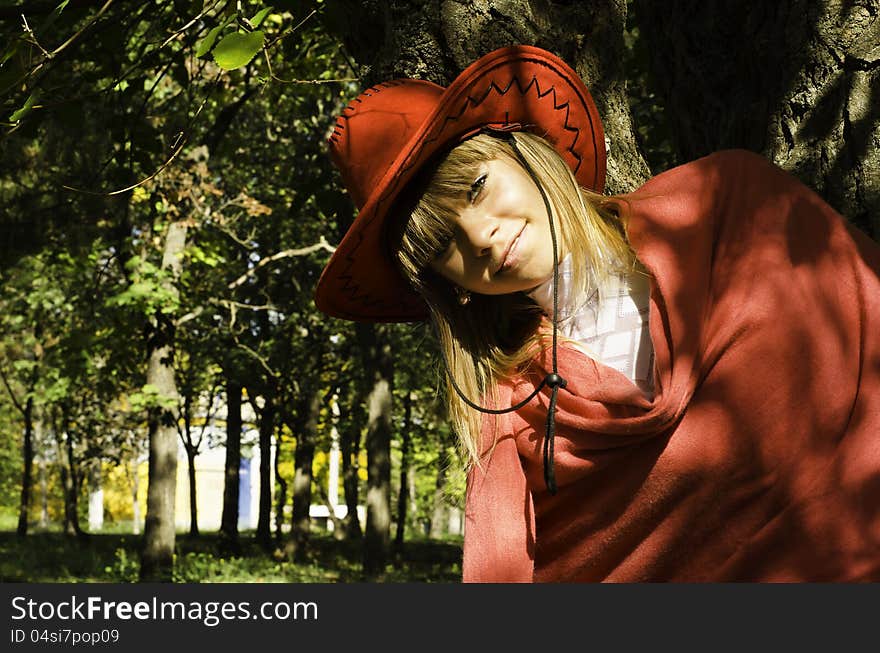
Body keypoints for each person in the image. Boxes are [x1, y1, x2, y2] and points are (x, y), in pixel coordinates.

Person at [315, 45, 880, 582]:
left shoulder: (734, 207)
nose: (480, 236)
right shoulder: (511, 414)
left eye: (476, 187)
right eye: (442, 246)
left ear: (523, 148)